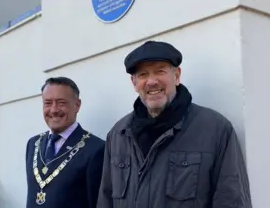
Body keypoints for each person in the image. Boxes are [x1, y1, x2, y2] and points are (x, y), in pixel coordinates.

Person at [97, 41, 252, 207]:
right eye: (143, 75)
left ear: (177, 76)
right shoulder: (118, 134)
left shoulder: (215, 129)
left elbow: (231, 200)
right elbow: (106, 200)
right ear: (134, 83)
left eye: (160, 71)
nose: (151, 81)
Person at [25, 77, 105, 208]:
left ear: (77, 105)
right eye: (48, 103)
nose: (54, 110)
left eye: (61, 103)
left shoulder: (96, 149)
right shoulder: (33, 144)